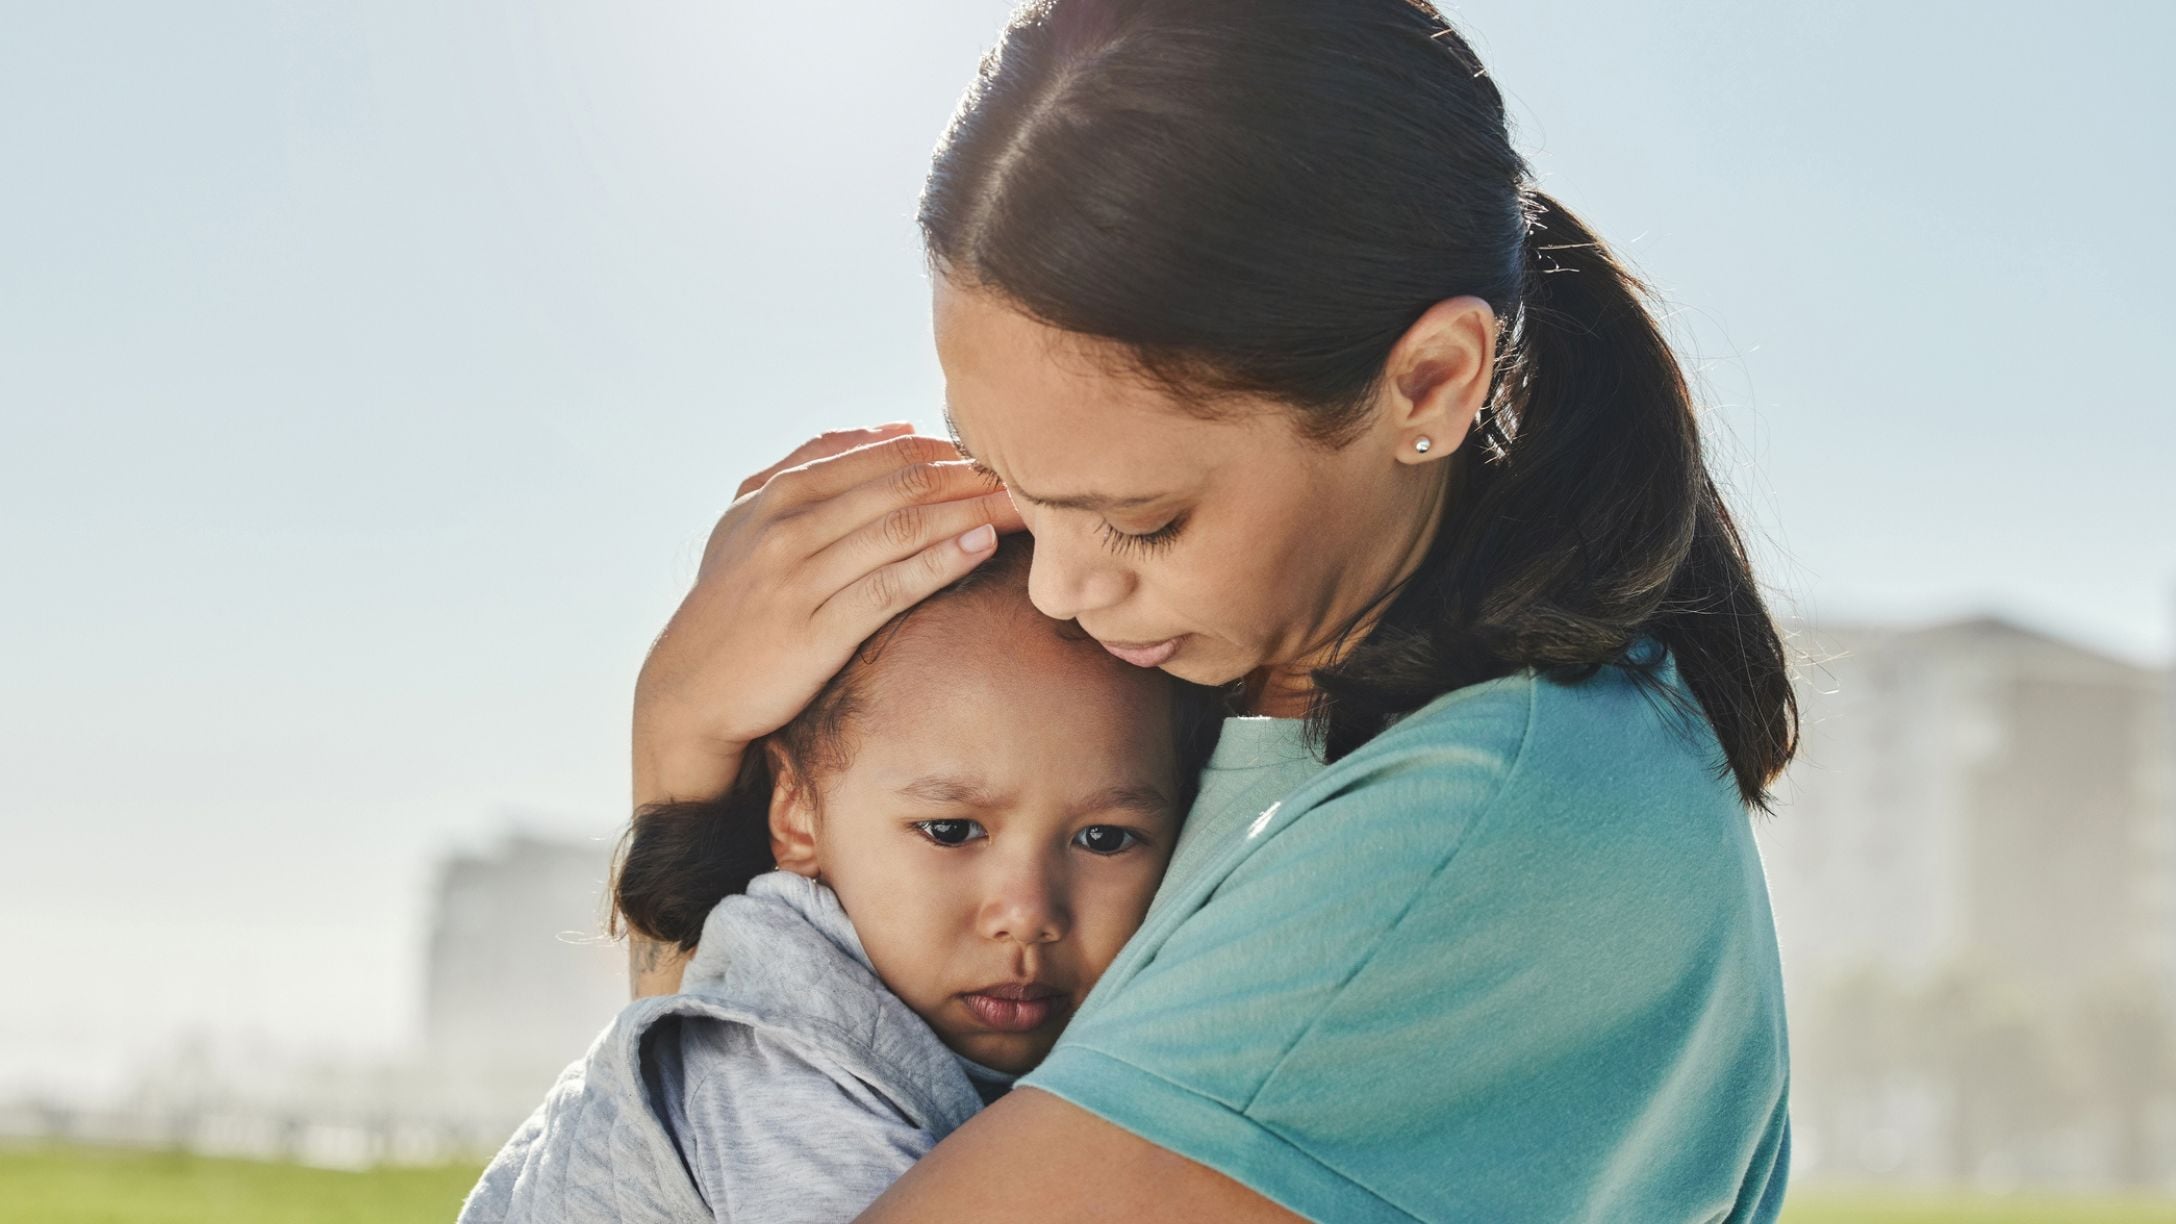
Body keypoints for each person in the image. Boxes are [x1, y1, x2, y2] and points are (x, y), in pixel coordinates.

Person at [629, 1, 1801, 1219]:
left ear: (1434, 382)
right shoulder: (1213, 690)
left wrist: (675, 762)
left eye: (1142, 520)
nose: (1059, 589)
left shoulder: (1472, 820)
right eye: (1014, 481)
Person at [461, 537, 1220, 1223]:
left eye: (1104, 838)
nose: (1026, 913)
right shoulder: (790, 1079)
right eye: (952, 831)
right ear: (796, 813)